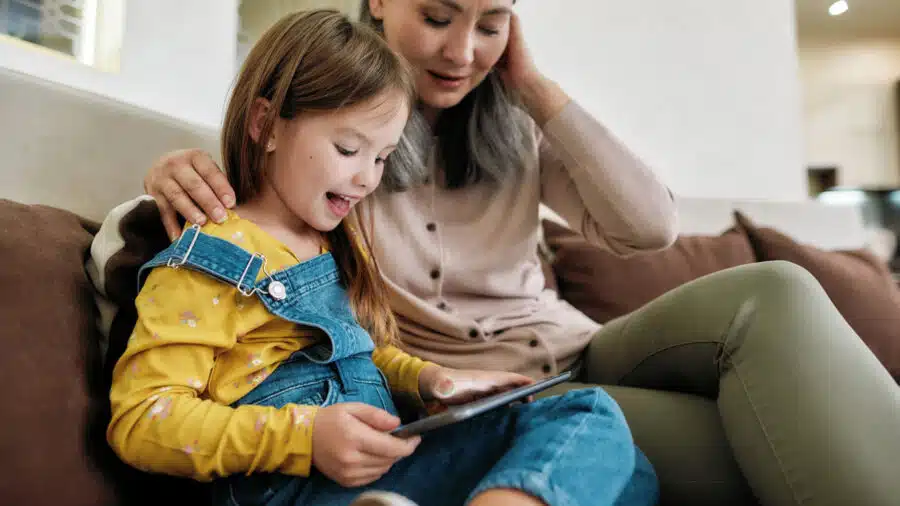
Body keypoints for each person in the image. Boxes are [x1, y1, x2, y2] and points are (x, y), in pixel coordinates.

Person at [139, 1, 900, 506]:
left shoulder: (512, 124)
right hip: (497, 401)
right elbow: (247, 235)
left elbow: (649, 228)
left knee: (776, 293)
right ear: (378, 0)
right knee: (742, 443)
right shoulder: (330, 150)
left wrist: (530, 84)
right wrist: (173, 170)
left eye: (491, 20)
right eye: (438, 14)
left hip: (584, 349)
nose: (462, 50)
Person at [106, 9, 658, 506]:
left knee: (627, 467)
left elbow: (351, 355)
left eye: (384, 158)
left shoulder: (329, 241)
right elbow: (139, 420)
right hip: (290, 482)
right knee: (589, 422)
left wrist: (430, 379)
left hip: (372, 467)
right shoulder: (214, 255)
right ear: (264, 125)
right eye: (349, 151)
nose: (367, 177)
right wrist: (306, 438)